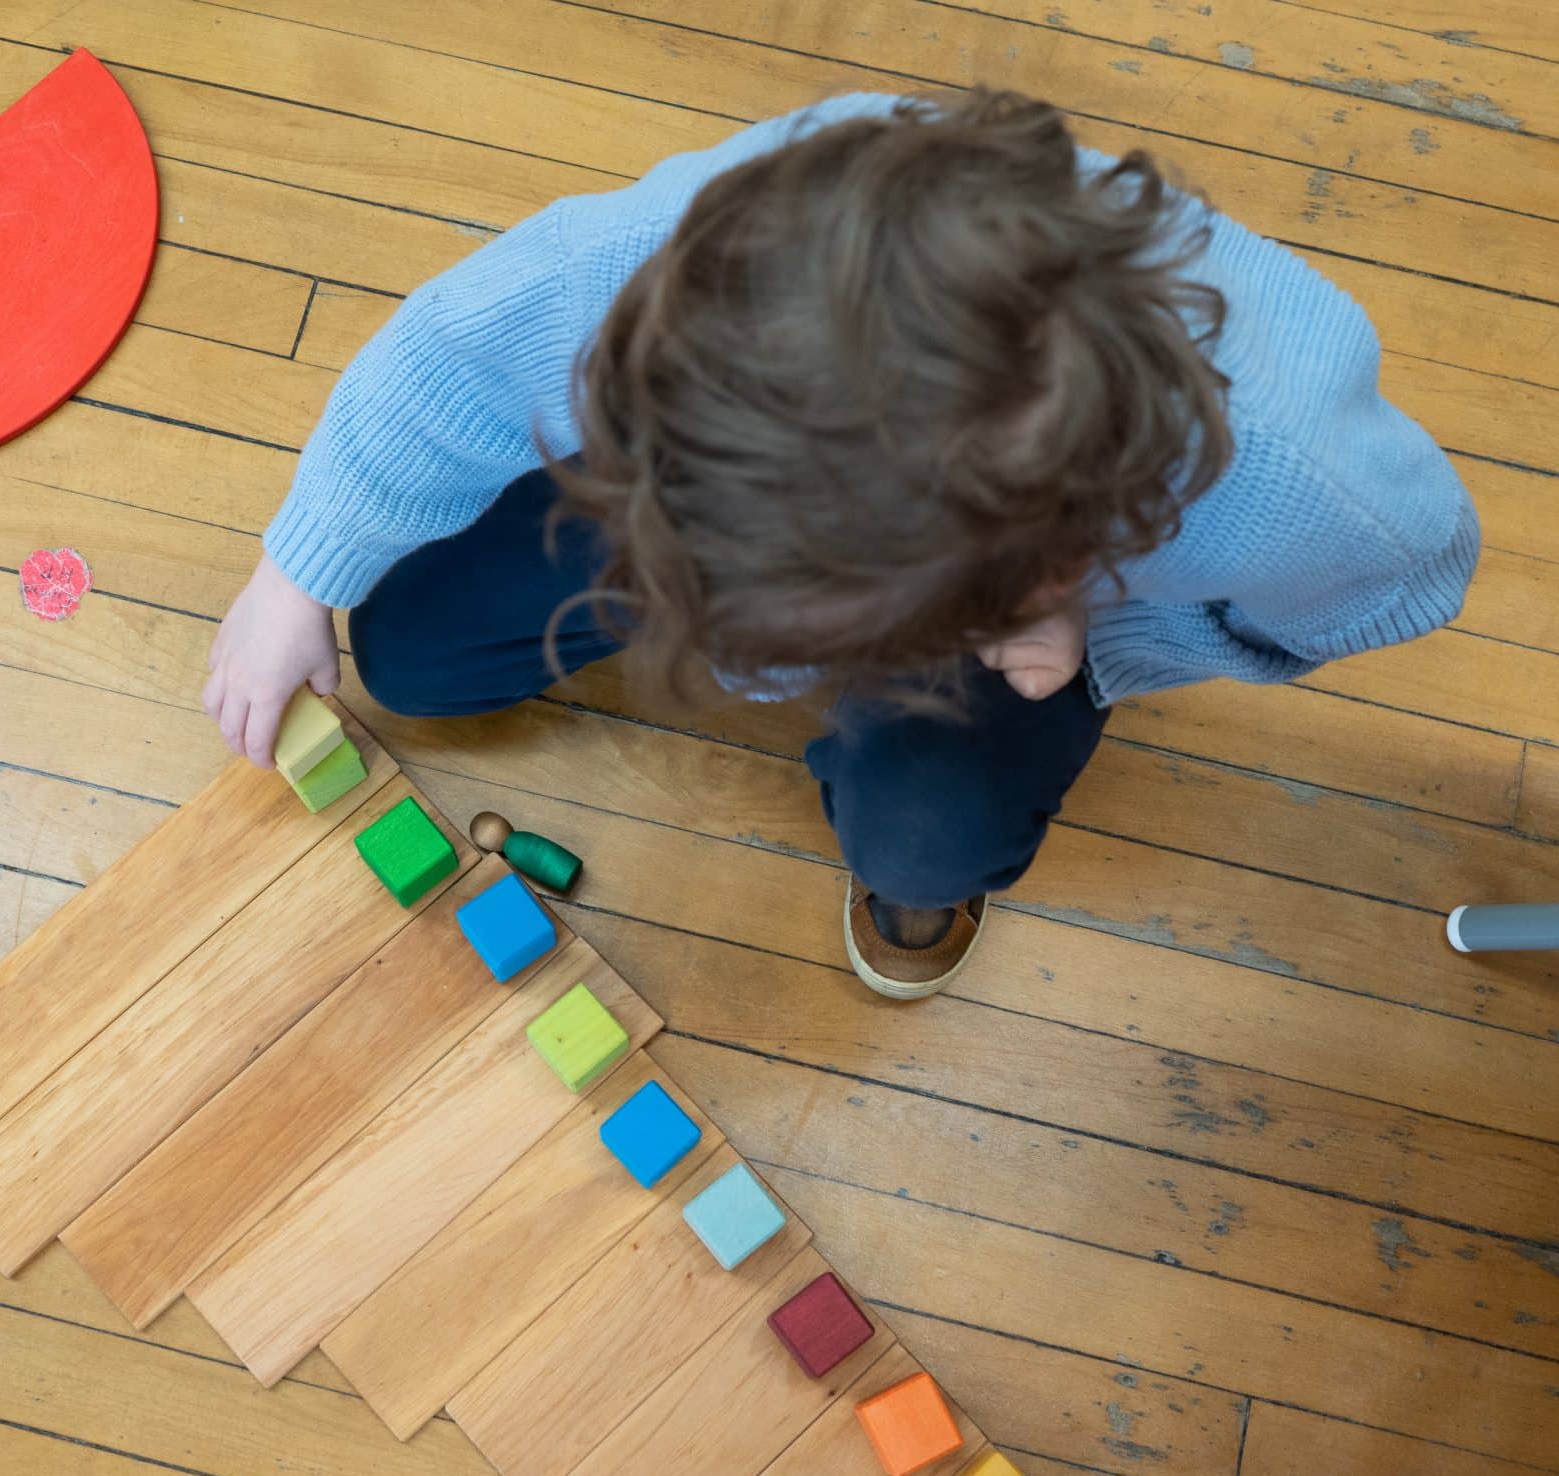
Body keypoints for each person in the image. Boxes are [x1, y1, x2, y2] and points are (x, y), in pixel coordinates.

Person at [203, 89, 1478, 1000]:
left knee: (927, 834)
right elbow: (449, 360)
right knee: (410, 652)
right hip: (870, 522)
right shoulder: (702, 257)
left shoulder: (1310, 488)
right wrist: (293, 574)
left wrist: (1092, 622)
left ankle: (935, 795)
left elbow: (1395, 590)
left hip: (1032, 599)